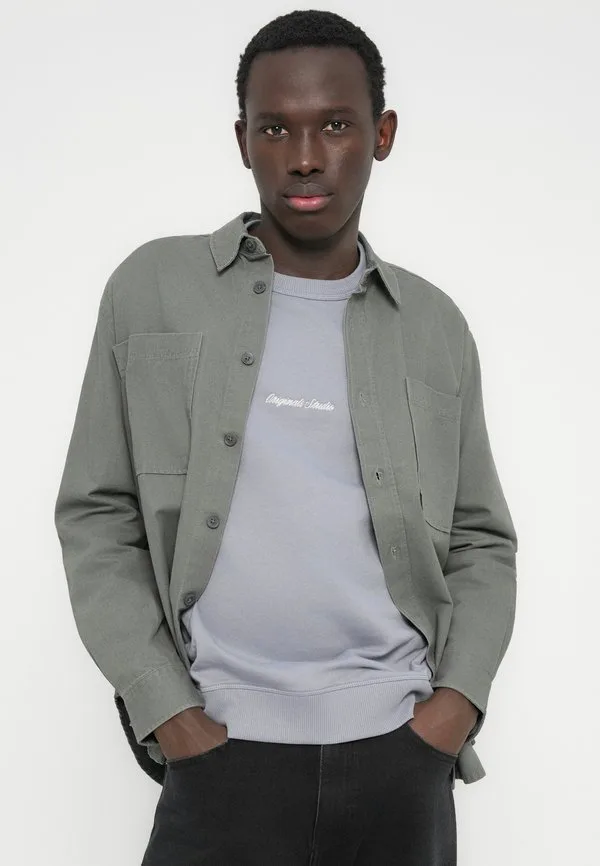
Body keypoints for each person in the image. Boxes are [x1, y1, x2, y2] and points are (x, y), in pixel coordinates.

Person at [54, 9, 518, 865]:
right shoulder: (151, 290)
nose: (305, 157)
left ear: (382, 135)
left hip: (399, 753)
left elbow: (482, 537)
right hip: (218, 746)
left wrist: (453, 707)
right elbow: (97, 514)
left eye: (335, 125)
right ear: (242, 140)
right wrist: (166, 707)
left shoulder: (434, 326)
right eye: (275, 129)